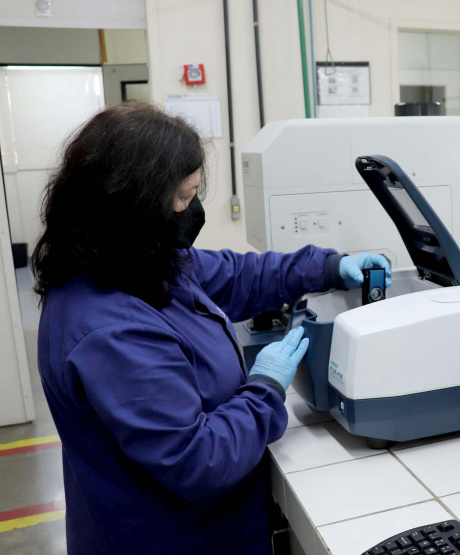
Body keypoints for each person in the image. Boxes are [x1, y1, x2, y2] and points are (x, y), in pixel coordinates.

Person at [32, 102, 391, 555]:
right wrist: (265, 387)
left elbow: (239, 275)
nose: (192, 209)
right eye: (182, 197)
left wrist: (330, 266)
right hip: (168, 539)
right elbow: (197, 461)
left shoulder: (133, 261)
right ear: (132, 205)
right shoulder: (109, 328)